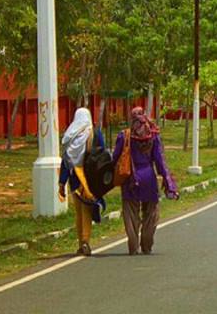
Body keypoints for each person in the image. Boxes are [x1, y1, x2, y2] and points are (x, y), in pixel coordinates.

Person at [112, 107, 178, 255]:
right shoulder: (153, 135)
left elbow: (115, 157)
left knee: (130, 213)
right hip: (148, 177)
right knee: (152, 212)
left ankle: (133, 245)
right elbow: (160, 161)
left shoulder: (124, 135)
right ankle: (147, 244)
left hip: (130, 179)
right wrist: (168, 182)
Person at [58, 107, 106, 256]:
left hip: (74, 179)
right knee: (86, 211)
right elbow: (102, 154)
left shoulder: (69, 136)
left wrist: (62, 183)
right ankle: (85, 241)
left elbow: (65, 161)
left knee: (79, 212)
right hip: (89, 179)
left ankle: (81, 243)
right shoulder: (94, 134)